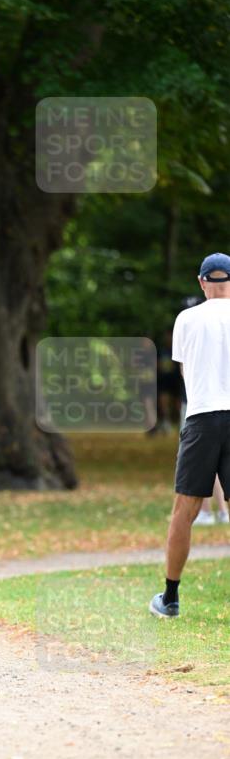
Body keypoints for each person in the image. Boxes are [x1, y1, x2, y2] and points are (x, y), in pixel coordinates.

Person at [149, 252, 230, 617]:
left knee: (185, 510)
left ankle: (170, 597)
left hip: (201, 417)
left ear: (201, 283)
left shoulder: (186, 319)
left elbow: (186, 374)